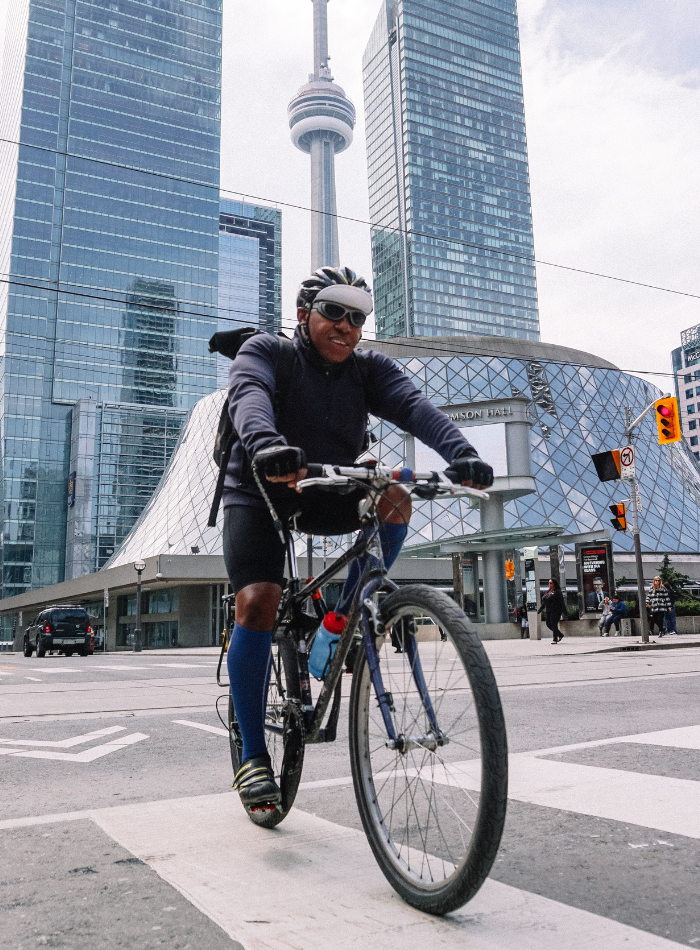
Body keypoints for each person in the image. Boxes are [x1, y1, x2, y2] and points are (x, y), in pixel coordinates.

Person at [222, 266, 494, 809]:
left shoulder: (370, 369)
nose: (346, 325)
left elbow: (415, 408)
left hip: (328, 484)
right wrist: (266, 444)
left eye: (357, 317)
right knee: (259, 600)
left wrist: (461, 453)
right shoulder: (267, 351)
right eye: (334, 312)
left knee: (395, 495)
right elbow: (247, 395)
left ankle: (340, 620)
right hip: (261, 486)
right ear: (304, 315)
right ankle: (253, 756)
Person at [538, 578, 566, 644]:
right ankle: (560, 634)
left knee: (554, 624)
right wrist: (540, 610)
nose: (549, 584)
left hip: (556, 610)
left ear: (554, 584)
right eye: (549, 583)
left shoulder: (557, 592)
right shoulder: (548, 591)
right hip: (549, 610)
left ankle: (555, 639)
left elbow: (561, 602)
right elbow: (545, 602)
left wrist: (564, 612)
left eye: (551, 583)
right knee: (548, 624)